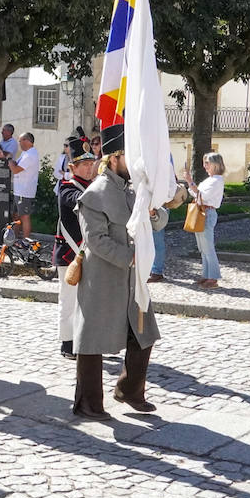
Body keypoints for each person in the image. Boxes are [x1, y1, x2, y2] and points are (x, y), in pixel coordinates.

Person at [71, 124, 164, 419]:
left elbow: (156, 222)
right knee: (92, 342)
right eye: (129, 156)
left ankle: (130, 391)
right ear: (114, 159)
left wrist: (156, 212)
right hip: (102, 281)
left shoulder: (133, 190)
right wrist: (132, 257)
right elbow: (96, 241)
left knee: (143, 334)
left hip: (131, 280)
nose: (135, 163)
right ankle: (88, 403)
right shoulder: (94, 194)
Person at [55, 132, 98, 359]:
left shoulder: (94, 186)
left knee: (88, 301)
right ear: (73, 167)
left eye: (91, 163)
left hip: (90, 253)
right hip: (70, 253)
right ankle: (67, 342)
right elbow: (78, 202)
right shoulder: (66, 187)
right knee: (69, 299)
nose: (89, 168)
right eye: (84, 164)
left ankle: (84, 339)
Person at [188, 152, 226, 289]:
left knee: (208, 247)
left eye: (207, 163)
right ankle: (206, 275)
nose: (205, 166)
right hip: (202, 211)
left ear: (215, 164)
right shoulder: (210, 180)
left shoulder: (216, 180)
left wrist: (190, 182)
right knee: (203, 247)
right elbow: (196, 193)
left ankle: (213, 277)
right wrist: (193, 187)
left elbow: (200, 194)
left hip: (207, 212)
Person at [10, 132, 38, 238]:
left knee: (25, 217)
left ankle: (26, 241)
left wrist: (9, 161)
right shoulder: (25, 153)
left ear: (27, 141)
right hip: (19, 190)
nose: (19, 143)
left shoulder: (31, 154)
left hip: (25, 191)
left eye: (20, 141)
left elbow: (15, 169)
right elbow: (16, 164)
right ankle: (16, 238)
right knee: (16, 216)